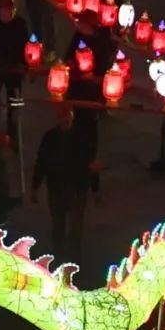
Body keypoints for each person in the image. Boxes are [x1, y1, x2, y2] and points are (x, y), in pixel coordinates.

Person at [30, 103, 99, 265]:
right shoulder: (51, 138)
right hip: (59, 188)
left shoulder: (81, 138)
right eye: (63, 115)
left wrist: (95, 189)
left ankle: (73, 259)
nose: (65, 118)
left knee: (74, 227)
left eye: (67, 115)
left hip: (75, 189)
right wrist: (35, 186)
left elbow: (91, 165)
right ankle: (60, 257)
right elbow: (41, 163)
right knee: (59, 226)